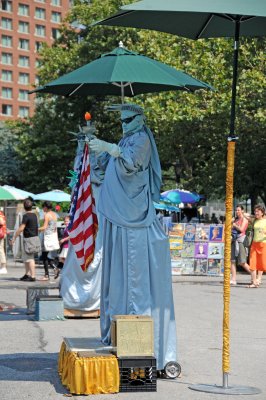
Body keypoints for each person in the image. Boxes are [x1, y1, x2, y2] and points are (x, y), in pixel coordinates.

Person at [89, 103, 177, 372]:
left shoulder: (141, 140)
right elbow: (104, 169)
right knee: (117, 277)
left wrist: (108, 147)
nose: (125, 124)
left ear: (140, 118)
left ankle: (138, 347)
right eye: (122, 120)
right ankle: (116, 337)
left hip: (135, 216)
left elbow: (130, 163)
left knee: (135, 278)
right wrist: (92, 148)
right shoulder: (125, 138)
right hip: (117, 214)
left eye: (129, 119)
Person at [11, 199, 40, 282]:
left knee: (30, 258)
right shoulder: (34, 215)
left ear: (24, 207)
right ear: (32, 207)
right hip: (34, 238)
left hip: (29, 239)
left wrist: (14, 237)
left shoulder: (26, 216)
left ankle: (33, 276)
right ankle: (27, 274)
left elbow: (22, 227)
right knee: (26, 258)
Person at [38, 201, 59, 281]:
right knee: (46, 256)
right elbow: (55, 227)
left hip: (47, 237)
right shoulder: (54, 215)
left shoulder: (47, 215)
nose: (43, 209)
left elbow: (44, 227)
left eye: (43, 207)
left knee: (44, 256)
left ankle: (47, 275)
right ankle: (53, 269)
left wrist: (35, 229)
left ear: (46, 207)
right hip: (53, 236)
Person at [247, 204, 266, 288]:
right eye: (255, 211)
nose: (256, 213)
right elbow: (247, 216)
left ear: (262, 212)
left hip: (263, 244)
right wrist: (242, 213)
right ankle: (254, 282)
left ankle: (258, 279)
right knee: (252, 263)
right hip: (254, 244)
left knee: (261, 263)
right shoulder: (255, 220)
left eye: (258, 211)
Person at [230, 204, 250, 285]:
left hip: (241, 241)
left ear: (242, 211)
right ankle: (233, 279)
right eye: (236, 210)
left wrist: (234, 225)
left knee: (242, 262)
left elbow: (242, 229)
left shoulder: (244, 219)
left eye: (238, 210)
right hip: (233, 240)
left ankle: (253, 277)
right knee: (232, 261)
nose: (237, 211)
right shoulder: (235, 219)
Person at [54, 215, 70, 279]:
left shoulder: (69, 227)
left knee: (63, 259)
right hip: (65, 245)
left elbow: (71, 236)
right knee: (62, 259)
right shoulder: (66, 227)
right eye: (65, 221)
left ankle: (59, 269)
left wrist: (63, 240)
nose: (66, 222)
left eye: (67, 221)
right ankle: (59, 269)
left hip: (67, 245)